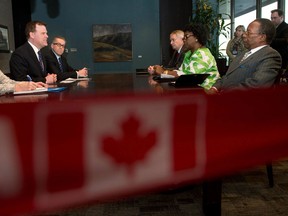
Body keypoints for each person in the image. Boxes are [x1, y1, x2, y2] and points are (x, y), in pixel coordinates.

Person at [207, 18, 282, 94]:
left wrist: (224, 94)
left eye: (248, 33)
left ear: (262, 37)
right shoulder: (243, 53)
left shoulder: (270, 56)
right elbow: (227, 77)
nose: (244, 35)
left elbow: (256, 85)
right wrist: (215, 88)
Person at [152, 23, 220, 90]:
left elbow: (187, 77)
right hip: (192, 89)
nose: (184, 40)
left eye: (186, 37)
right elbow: (180, 71)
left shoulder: (202, 54)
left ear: (196, 37)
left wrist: (163, 72)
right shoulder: (188, 53)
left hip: (206, 92)